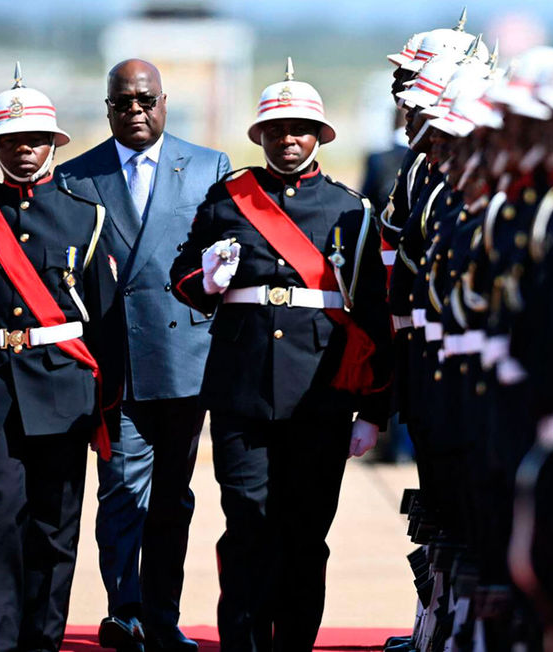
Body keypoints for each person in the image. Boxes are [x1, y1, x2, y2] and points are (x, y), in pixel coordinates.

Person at [169, 58, 392, 652]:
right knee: (245, 525)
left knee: (305, 533)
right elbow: (183, 279)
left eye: (299, 129)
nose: (288, 139)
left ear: (319, 136)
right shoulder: (228, 198)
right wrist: (209, 278)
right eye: (276, 129)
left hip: (320, 392)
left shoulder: (352, 211)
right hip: (242, 390)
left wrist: (374, 409)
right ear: (260, 135)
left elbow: (372, 314)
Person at [0, 65, 117, 652]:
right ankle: (0, 641)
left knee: (56, 527)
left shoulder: (85, 216)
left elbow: (106, 324)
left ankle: (44, 641)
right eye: (12, 140)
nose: (25, 149)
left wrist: (108, 406)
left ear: (53, 143)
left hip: (63, 388)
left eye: (35, 138)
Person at [57, 58, 231, 652]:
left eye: (145, 99)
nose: (135, 110)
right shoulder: (77, 177)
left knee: (172, 499)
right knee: (121, 491)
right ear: (108, 108)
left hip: (184, 360)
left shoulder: (209, 167)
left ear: (164, 101)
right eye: (122, 102)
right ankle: (124, 608)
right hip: (116, 364)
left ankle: (162, 616)